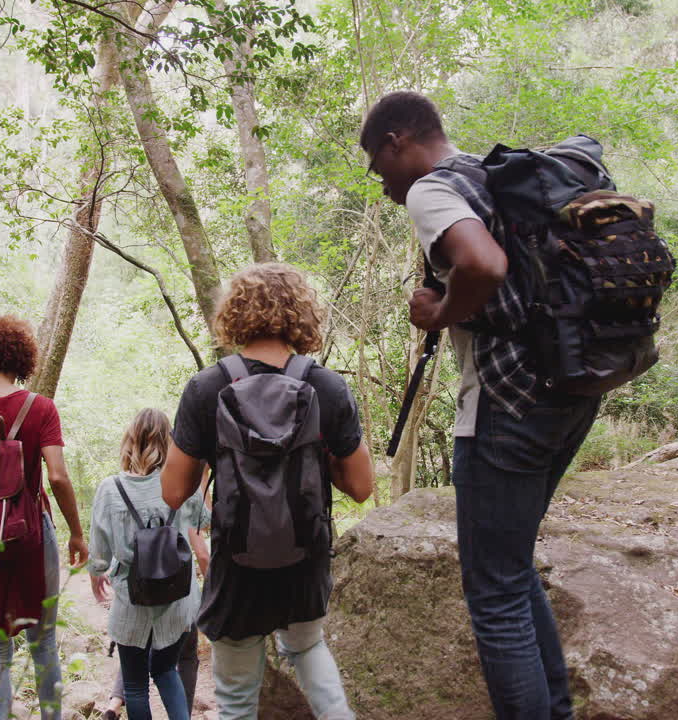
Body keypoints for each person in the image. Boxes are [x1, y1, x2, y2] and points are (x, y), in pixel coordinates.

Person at [359, 91, 603, 720]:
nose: (382, 184)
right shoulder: (495, 179)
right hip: (572, 391)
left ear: (397, 141)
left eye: (377, 165)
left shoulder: (433, 190)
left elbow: (482, 263)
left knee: (494, 596)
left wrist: (440, 309)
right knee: (513, 571)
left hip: (506, 404)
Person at [159, 263, 374, 720]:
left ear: (234, 314)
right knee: (309, 648)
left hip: (237, 559)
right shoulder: (327, 386)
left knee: (236, 699)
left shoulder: (207, 388)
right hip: (306, 554)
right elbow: (361, 487)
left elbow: (173, 492)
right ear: (302, 315)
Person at [0, 315, 90, 720]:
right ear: (21, 356)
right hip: (30, 533)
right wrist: (77, 533)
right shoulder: (39, 408)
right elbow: (57, 476)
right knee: (42, 640)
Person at [90, 408, 206, 720]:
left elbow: (99, 549)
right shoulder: (183, 484)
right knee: (166, 670)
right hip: (177, 598)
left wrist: (96, 574)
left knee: (135, 685)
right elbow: (204, 520)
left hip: (132, 597)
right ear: (170, 444)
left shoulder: (110, 489)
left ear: (130, 441)